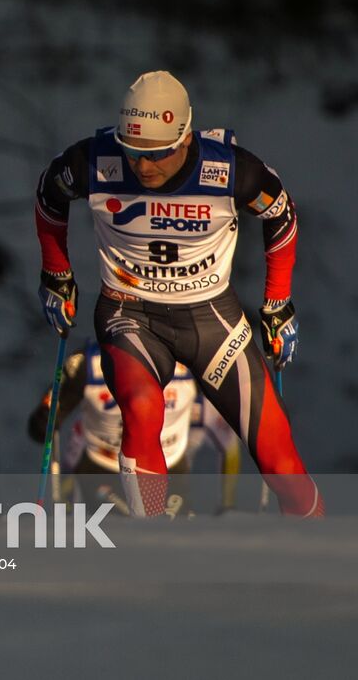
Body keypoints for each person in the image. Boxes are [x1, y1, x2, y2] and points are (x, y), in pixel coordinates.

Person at [34, 70, 320, 516]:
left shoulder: (230, 170)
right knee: (143, 408)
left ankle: (322, 567)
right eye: (133, 152)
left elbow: (281, 217)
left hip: (210, 318)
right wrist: (56, 272)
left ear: (185, 137)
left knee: (281, 462)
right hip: (130, 313)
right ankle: (153, 545)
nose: (144, 166)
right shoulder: (92, 161)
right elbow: (49, 197)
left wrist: (277, 302)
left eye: (158, 153)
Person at [26, 340, 240, 514]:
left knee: (171, 545)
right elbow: (43, 421)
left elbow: (230, 415)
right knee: (114, 545)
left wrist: (228, 503)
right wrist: (46, 418)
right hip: (103, 468)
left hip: (168, 467)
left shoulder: (189, 361)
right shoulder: (87, 363)